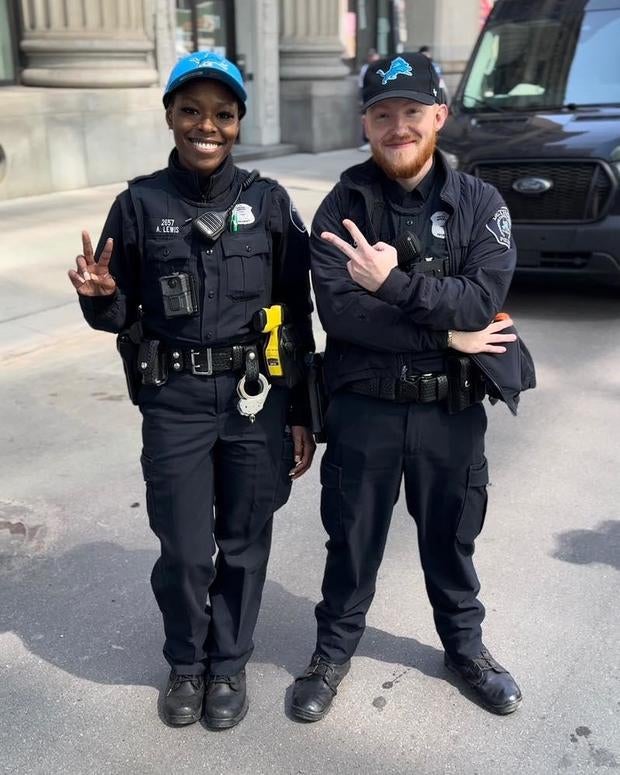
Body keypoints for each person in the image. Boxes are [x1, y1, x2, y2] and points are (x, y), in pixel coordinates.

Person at [67, 51, 316, 730]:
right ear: (172, 116)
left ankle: (229, 663)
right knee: (182, 546)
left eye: (222, 113)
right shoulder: (140, 203)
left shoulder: (267, 203)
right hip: (174, 401)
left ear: (237, 122)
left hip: (253, 397)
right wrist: (103, 299)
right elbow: (121, 313)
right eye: (192, 111)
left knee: (243, 540)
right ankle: (186, 660)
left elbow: (296, 313)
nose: (207, 125)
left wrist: (303, 413)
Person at [291, 52, 524, 722]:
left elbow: (481, 300)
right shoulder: (342, 205)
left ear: (439, 116)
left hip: (449, 412)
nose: (399, 127)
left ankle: (466, 647)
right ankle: (332, 652)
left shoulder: (479, 203)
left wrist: (396, 286)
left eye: (412, 112)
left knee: (451, 539)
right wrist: (446, 330)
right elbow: (342, 314)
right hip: (364, 409)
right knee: (352, 538)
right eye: (383, 113)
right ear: (365, 122)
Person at [358, 48, 381, 151]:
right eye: (371, 56)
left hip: (379, 95)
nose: (372, 58)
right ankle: (368, 141)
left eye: (374, 56)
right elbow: (361, 84)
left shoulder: (381, 68)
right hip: (368, 96)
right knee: (368, 117)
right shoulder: (365, 68)